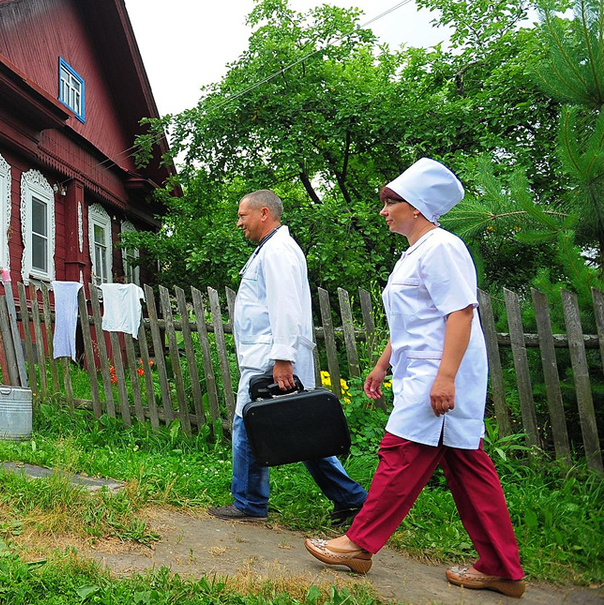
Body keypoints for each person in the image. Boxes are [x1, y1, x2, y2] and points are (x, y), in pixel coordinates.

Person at [304, 158, 525, 598]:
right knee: (469, 469)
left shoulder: (442, 247)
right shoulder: (417, 252)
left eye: (391, 201)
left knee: (400, 454)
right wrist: (383, 361)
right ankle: (502, 569)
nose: (384, 210)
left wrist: (446, 378)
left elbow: (460, 313)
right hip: (423, 369)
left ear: (418, 207)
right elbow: (415, 320)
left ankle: (358, 544)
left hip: (438, 374)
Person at [209, 190, 367, 523]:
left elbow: (285, 306)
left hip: (270, 357)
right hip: (268, 353)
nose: (239, 223)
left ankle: (250, 504)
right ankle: (352, 499)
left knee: (248, 423)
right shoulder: (271, 250)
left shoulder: (278, 251)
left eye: (242, 216)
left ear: (263, 213)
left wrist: (282, 358)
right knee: (302, 428)